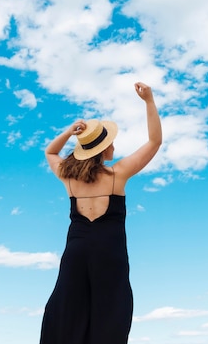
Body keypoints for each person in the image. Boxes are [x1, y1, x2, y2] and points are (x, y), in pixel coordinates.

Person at [40, 82, 162, 344]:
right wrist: (149, 101)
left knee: (69, 309)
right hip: (109, 252)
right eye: (111, 144)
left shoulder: (68, 177)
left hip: (77, 252)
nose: (114, 148)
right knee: (110, 310)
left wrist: (70, 132)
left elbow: (50, 151)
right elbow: (155, 141)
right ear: (103, 150)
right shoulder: (117, 175)